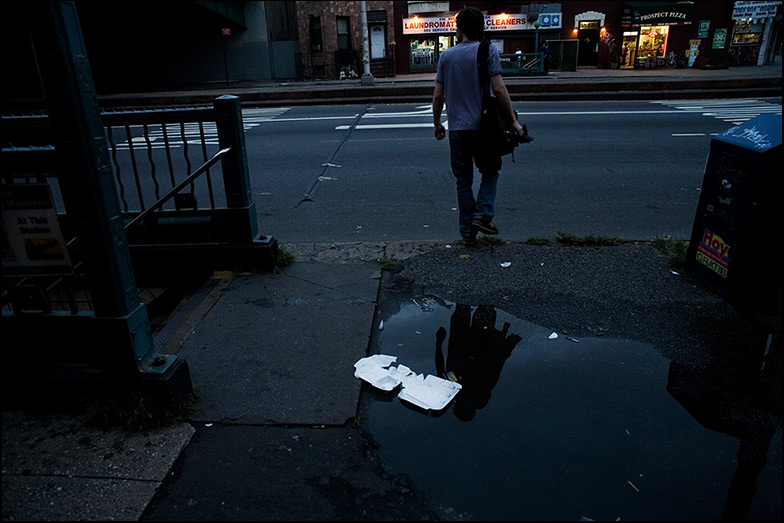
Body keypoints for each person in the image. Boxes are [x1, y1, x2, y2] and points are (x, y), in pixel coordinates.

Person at [432, 7, 524, 246]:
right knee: (490, 172)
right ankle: (482, 214)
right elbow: (499, 89)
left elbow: (438, 95)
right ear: (480, 29)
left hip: (457, 129)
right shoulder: (487, 51)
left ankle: (467, 231)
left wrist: (436, 124)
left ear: (459, 28)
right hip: (483, 128)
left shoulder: (447, 56)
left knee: (463, 181)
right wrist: (513, 122)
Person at [435, 304, 522, 421]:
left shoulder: (478, 392)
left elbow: (496, 368)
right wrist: (439, 342)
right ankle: (470, 292)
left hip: (481, 347)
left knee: (485, 307)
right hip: (461, 344)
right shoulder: (452, 390)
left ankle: (484, 294)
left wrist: (507, 347)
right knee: (464, 305)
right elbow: (441, 368)